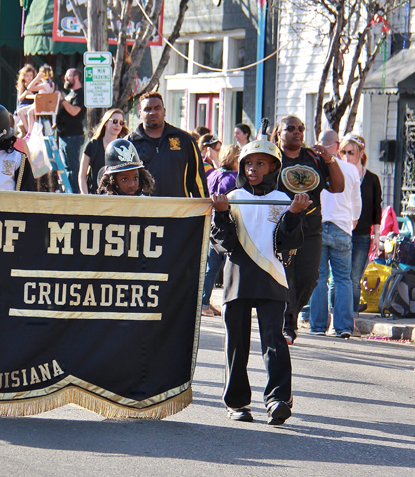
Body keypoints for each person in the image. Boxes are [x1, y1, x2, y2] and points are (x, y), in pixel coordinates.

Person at [210, 139, 311, 424]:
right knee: (236, 344)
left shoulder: (284, 199)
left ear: (274, 167)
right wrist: (220, 213)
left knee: (274, 341)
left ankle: (278, 399)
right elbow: (224, 244)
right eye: (248, 163)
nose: (253, 169)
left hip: (272, 278)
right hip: (237, 278)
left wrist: (293, 215)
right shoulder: (232, 196)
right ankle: (237, 402)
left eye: (260, 163)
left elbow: (289, 245)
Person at [270, 115, 345, 345]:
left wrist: (330, 160)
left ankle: (289, 313)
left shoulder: (313, 157)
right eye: (290, 128)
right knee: (286, 275)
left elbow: (338, 187)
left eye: (300, 128)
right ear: (279, 133)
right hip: (280, 225)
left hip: (310, 226)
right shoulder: (272, 157)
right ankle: (287, 323)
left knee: (310, 277)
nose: (297, 132)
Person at [309, 129, 361, 338]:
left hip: (319, 225)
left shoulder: (314, 166)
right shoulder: (350, 169)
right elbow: (356, 201)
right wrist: (353, 219)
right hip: (341, 226)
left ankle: (319, 326)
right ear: (337, 145)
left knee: (319, 278)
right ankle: (344, 326)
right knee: (343, 279)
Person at [127, 92, 207, 198]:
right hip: (142, 210)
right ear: (140, 113)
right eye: (147, 109)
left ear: (164, 111)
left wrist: (203, 209)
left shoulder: (185, 140)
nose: (152, 112)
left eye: (157, 108)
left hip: (177, 210)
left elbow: (198, 181)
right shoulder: (128, 144)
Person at [339, 134, 382, 318]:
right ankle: (336, 317)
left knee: (354, 279)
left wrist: (377, 237)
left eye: (351, 152)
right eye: (344, 152)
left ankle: (352, 318)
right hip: (340, 230)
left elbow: (376, 209)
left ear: (361, 153)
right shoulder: (338, 175)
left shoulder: (371, 179)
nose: (347, 156)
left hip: (362, 234)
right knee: (339, 279)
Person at [201, 144, 241, 317]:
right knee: (229, 265)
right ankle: (227, 303)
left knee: (211, 267)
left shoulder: (213, 174)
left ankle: (203, 302)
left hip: (209, 223)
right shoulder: (235, 178)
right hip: (227, 225)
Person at [77, 108, 126, 195]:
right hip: (95, 196)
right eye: (114, 121)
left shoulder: (124, 147)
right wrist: (86, 195)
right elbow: (82, 174)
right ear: (106, 122)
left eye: (121, 123)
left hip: (117, 197)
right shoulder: (92, 145)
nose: (118, 125)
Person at [55, 68, 86, 192]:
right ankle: (69, 191)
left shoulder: (80, 94)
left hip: (73, 136)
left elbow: (74, 111)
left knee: (73, 168)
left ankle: (75, 193)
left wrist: (62, 100)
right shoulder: (70, 94)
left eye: (68, 76)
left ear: (76, 77)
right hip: (64, 136)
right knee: (66, 167)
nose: (65, 79)